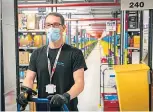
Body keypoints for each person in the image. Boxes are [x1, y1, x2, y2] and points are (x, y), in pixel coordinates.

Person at [17, 12, 87, 111]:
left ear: (63, 28)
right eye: (48, 25)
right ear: (45, 28)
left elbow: (80, 83)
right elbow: (29, 78)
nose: (52, 28)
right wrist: (25, 92)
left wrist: (66, 96)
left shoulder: (75, 53)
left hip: (66, 107)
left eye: (55, 25)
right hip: (43, 107)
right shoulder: (37, 53)